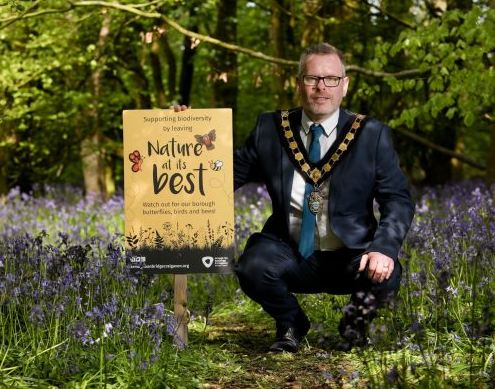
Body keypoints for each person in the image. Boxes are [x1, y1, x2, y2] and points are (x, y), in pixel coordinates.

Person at [173, 42, 414, 353]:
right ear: (299, 82)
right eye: (313, 78)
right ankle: (291, 323)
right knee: (251, 266)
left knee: (388, 273)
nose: (321, 87)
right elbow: (221, 177)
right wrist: (181, 132)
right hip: (289, 253)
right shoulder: (270, 128)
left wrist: (384, 248)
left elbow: (398, 199)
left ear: (345, 85)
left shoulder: (371, 134)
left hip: (350, 255)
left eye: (331, 79)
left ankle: (354, 326)